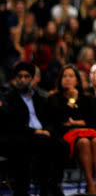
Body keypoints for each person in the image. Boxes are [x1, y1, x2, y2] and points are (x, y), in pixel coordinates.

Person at [3, 61, 68, 196]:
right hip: (23, 135)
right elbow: (12, 124)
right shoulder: (10, 97)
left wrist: (48, 130)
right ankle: (37, 187)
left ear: (32, 78)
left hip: (42, 134)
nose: (23, 80)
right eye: (19, 77)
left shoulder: (39, 97)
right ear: (15, 78)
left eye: (26, 77)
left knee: (63, 145)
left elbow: (49, 119)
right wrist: (35, 131)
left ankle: (53, 184)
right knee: (38, 144)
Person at [47, 64, 96, 195]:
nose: (67, 79)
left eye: (71, 76)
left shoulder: (87, 97)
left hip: (88, 133)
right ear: (60, 80)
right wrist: (72, 100)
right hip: (65, 136)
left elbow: (93, 121)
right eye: (64, 76)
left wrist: (75, 122)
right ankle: (90, 184)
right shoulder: (54, 98)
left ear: (77, 80)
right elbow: (60, 120)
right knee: (84, 142)